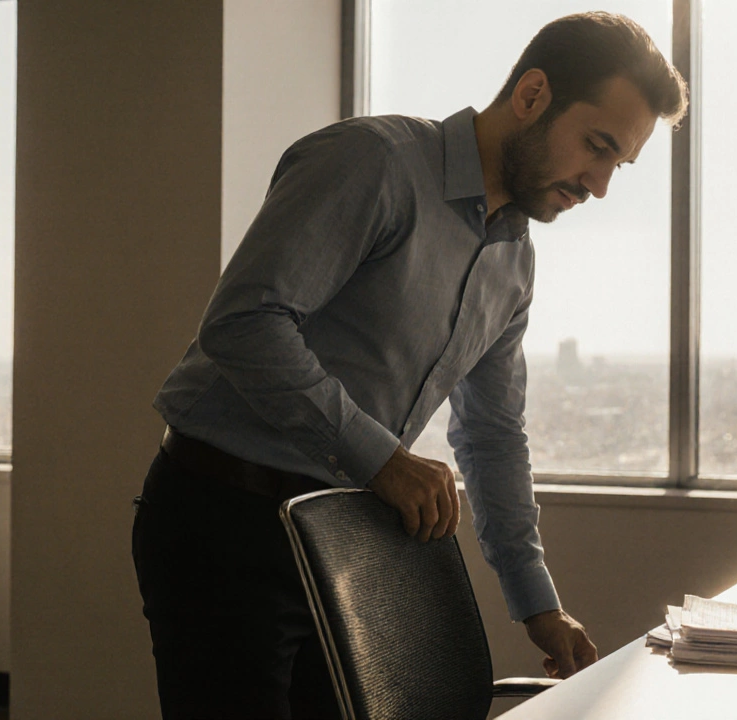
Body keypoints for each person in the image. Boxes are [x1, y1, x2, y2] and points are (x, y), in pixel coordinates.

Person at [131, 11, 687, 719]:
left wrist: (536, 603)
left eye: (618, 164)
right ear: (532, 95)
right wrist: (383, 459)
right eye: (597, 147)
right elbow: (244, 323)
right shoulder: (373, 162)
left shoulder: (512, 259)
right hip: (223, 520)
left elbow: (491, 435)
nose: (601, 184)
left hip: (342, 540)